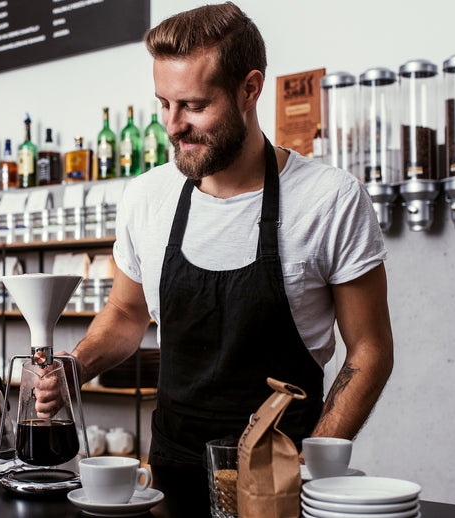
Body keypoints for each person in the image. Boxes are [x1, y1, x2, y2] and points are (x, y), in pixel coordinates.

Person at [40, 3, 393, 516]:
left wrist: (313, 467)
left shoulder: (330, 199)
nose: (173, 126)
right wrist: (76, 366)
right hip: (171, 476)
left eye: (194, 105)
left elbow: (369, 352)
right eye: (163, 103)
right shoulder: (147, 198)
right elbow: (126, 314)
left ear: (250, 88)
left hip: (283, 480)